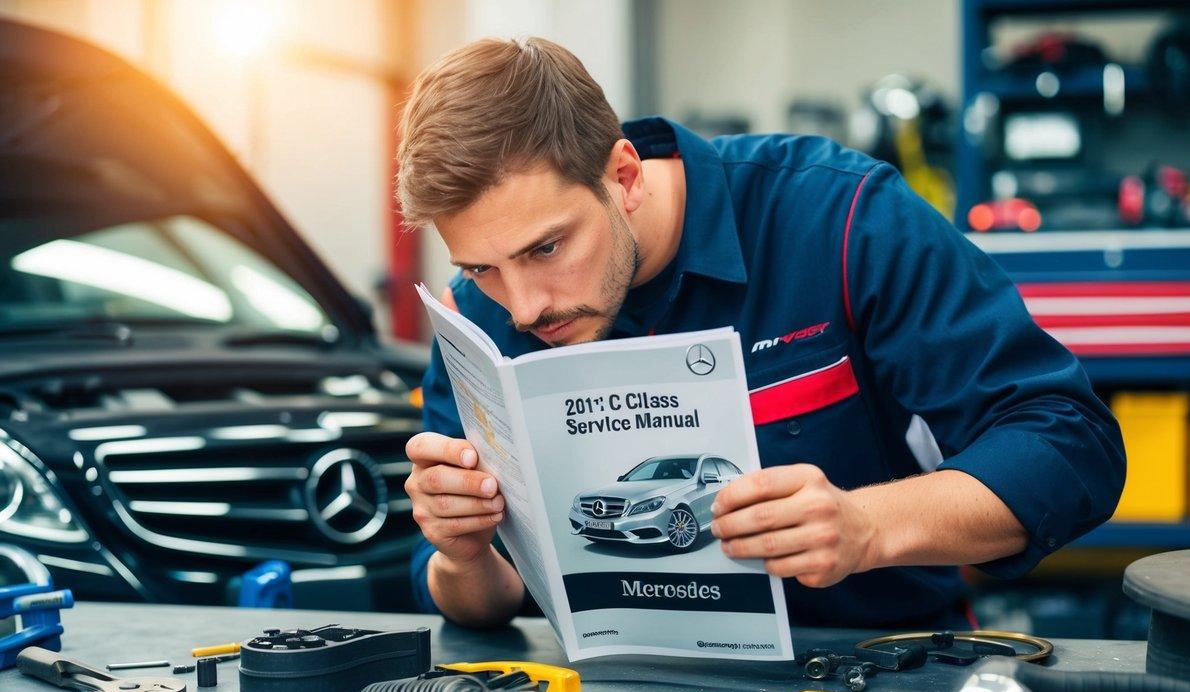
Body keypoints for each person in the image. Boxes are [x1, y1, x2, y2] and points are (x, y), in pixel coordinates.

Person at [397, 37, 1125, 630]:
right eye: (482, 267)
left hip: (877, 678)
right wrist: (461, 559)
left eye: (546, 248)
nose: (522, 307)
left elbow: (1066, 443)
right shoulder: (477, 314)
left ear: (622, 176)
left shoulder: (839, 220)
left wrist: (868, 525)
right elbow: (483, 606)